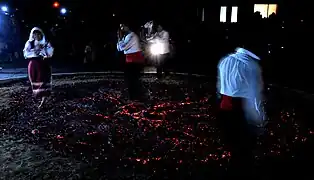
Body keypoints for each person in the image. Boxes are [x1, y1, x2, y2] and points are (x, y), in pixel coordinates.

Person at [217, 41, 266, 176]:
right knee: (243, 144)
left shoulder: (225, 60)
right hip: (241, 107)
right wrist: (258, 116)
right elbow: (254, 92)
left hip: (225, 104)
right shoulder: (251, 66)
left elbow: (220, 84)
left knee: (231, 139)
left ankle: (232, 166)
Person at [23, 27, 54, 108]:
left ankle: (43, 101)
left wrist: (43, 53)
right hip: (33, 64)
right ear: (32, 34)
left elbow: (50, 52)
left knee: (43, 81)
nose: (36, 35)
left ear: (41, 34)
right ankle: (38, 96)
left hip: (43, 64)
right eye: (35, 34)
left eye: (38, 33)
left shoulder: (46, 43)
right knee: (34, 80)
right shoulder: (30, 43)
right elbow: (26, 53)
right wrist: (34, 52)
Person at [117, 23, 145, 100]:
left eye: (122, 26)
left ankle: (136, 97)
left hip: (135, 60)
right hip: (130, 59)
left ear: (127, 26)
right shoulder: (126, 36)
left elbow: (123, 47)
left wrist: (120, 39)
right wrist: (120, 39)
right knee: (130, 79)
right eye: (120, 27)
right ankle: (133, 97)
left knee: (133, 80)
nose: (121, 28)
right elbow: (119, 48)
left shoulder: (133, 36)